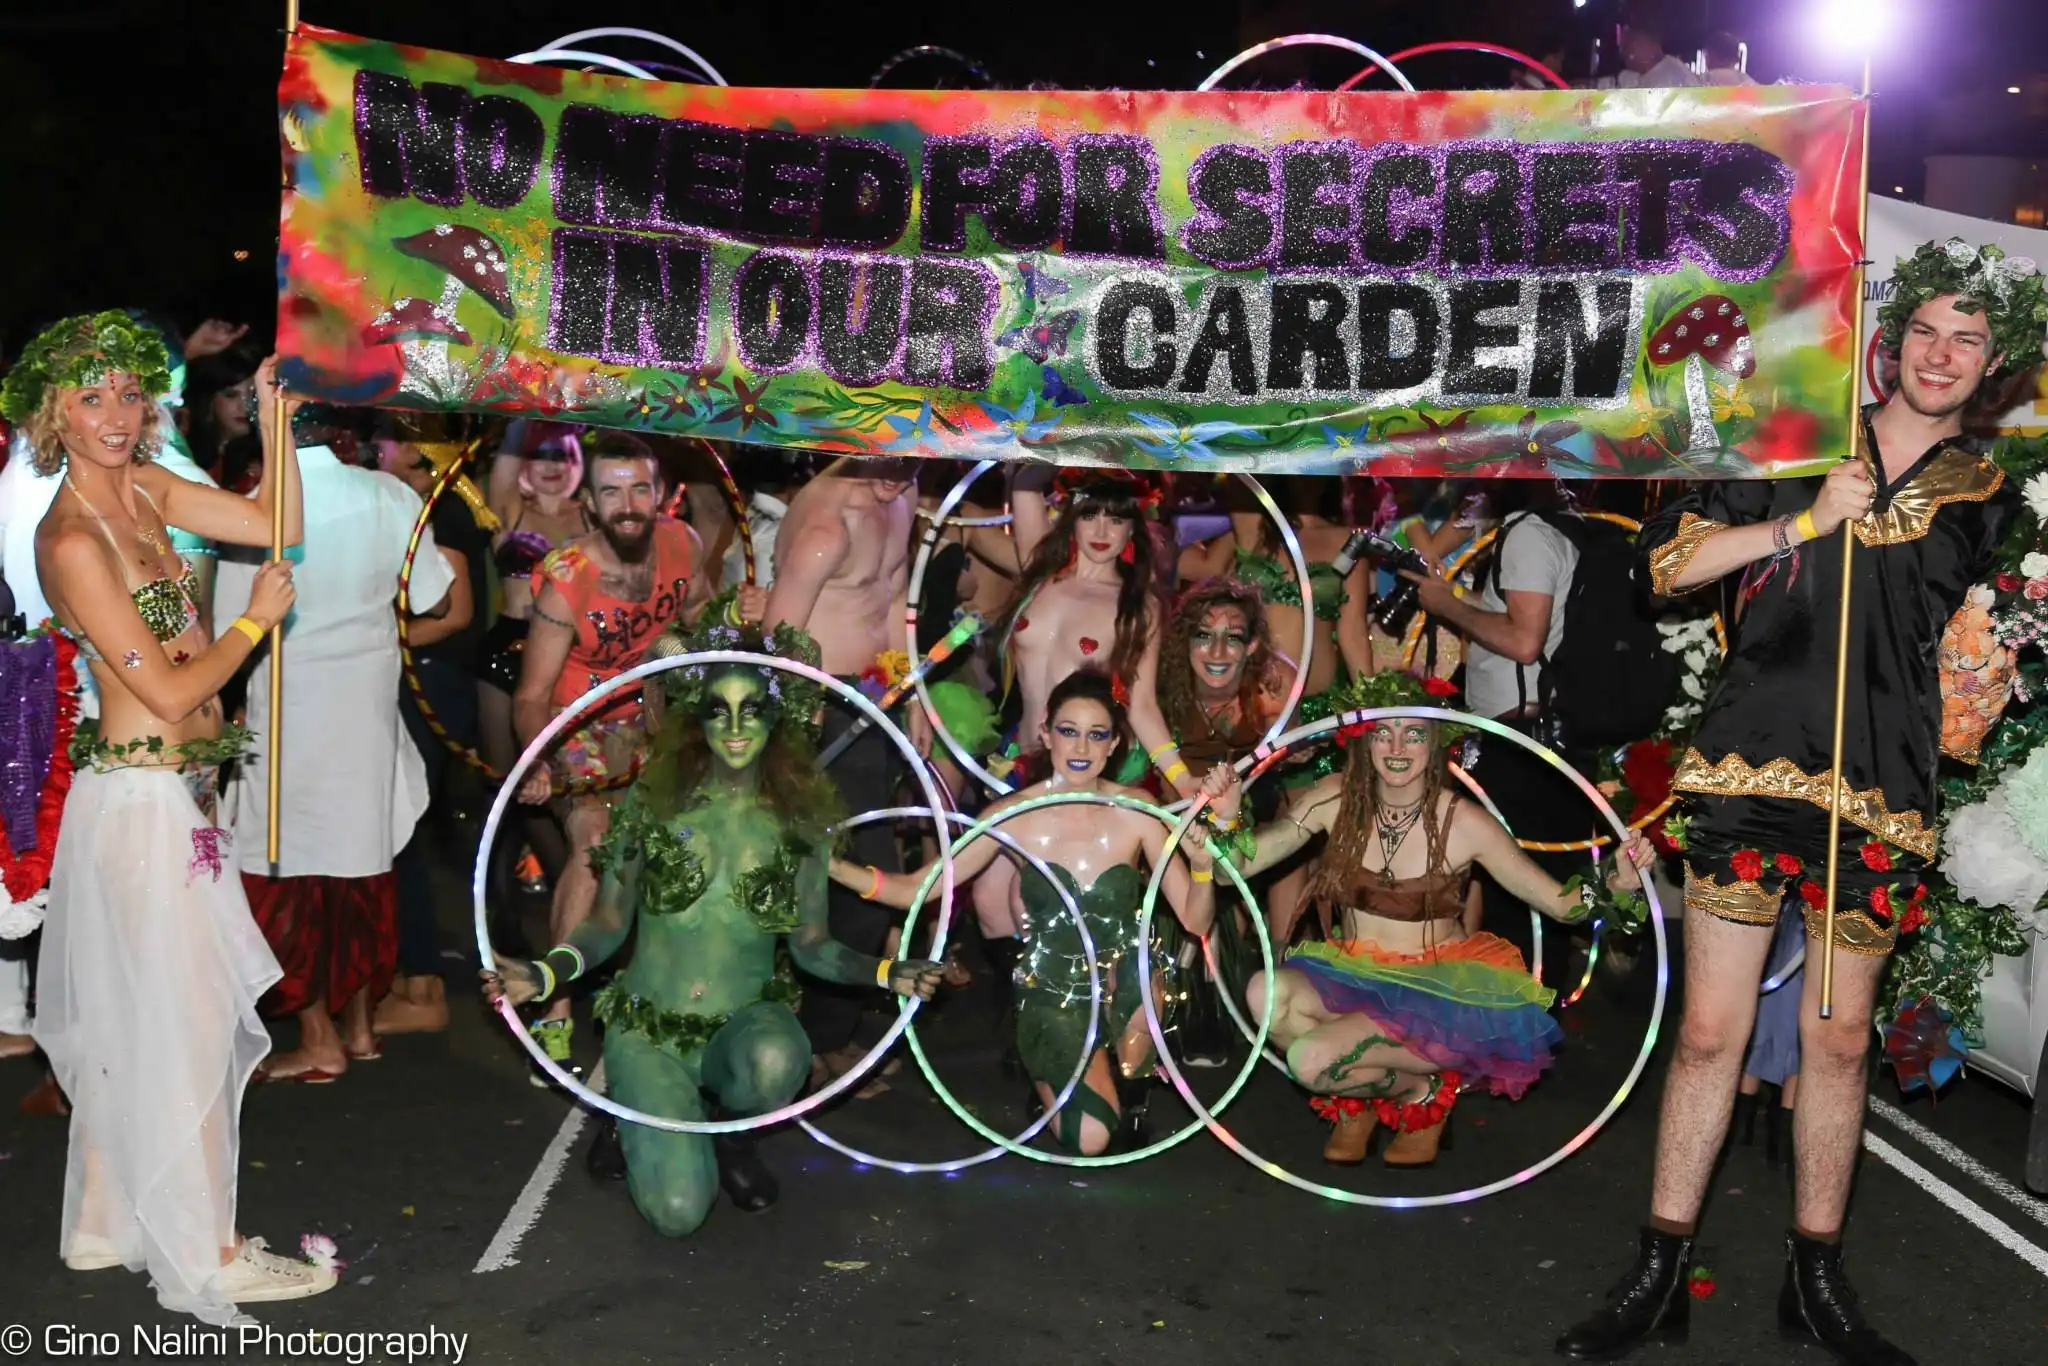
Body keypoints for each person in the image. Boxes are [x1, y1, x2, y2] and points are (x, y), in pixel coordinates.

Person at [1556, 238, 2035, 1365]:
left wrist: (1990, 667)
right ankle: (1657, 1273)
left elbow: (1984, 652)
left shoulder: (1998, 499)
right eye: (1925, 331)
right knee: (1707, 1033)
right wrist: (1803, 519)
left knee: (1839, 1042)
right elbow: (1663, 569)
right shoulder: (1794, 438)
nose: (1941, 354)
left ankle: (1814, 1281)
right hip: (1748, 768)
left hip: (1880, 792)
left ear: (1990, 366)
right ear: (1887, 344)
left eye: (1967, 340)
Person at [12, 313, 333, 1314]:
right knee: (190, 1027)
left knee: (138, 1019)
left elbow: (276, 525)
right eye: (91, 397)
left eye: (127, 393)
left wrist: (275, 417)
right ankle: (209, 1251)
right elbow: (166, 688)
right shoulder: (70, 539)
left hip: (180, 797)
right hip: (138, 804)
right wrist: (254, 623)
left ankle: (103, 1224)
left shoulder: (148, 488)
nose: (116, 414)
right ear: (53, 415)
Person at [482, 596, 945, 1234]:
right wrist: (545, 974)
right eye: (717, 709)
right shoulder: (652, 806)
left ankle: (732, 1135)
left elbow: (812, 947)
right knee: (677, 1215)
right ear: (693, 717)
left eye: (751, 709)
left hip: (742, 1030)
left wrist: (887, 973)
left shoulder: (798, 824)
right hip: (651, 1033)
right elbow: (607, 924)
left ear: (775, 718)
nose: (734, 727)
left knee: (779, 1057)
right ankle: (637, 1107)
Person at [1233, 671, 1652, 1167]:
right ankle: (1360, 1099)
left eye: (1413, 733)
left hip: (1433, 999)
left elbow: (1560, 905)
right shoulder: (1332, 799)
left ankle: (1420, 1093)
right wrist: (1222, 816)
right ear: (1364, 740)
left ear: (1435, 743)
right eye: (1384, 732)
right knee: (1265, 994)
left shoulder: (1465, 822)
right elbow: (1234, 867)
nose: (1397, 748)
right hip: (1351, 977)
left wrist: (1615, 883)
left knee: (1309, 1060)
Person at [832, 668, 1236, 1154]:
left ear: (1114, 745)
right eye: (1068, 731)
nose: (1081, 747)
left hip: (1124, 980)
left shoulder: (1138, 811)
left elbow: (1195, 921)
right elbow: (916, 890)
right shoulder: (1014, 815)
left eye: (1097, 734)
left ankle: (1129, 1085)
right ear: (1045, 734)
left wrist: (1201, 868)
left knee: (1141, 979)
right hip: (1053, 987)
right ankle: (1060, 1076)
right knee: (1090, 1140)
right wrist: (831, 865)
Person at [212, 402, 462, 1081]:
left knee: (288, 878)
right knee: (361, 870)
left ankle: (319, 1036)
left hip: (288, 713)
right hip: (364, 713)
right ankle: (359, 1028)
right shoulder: (388, 496)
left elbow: (231, 629)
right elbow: (435, 600)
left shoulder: (253, 511)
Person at [512, 432, 716, 1084]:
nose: (627, 505)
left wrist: (737, 614)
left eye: (639, 489)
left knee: (681, 845)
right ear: (591, 505)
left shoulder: (683, 543)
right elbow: (531, 696)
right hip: (577, 725)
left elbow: (704, 616)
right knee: (595, 840)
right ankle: (554, 1010)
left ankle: (670, 994)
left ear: (660, 493)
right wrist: (538, 763)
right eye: (611, 491)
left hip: (653, 718)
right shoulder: (567, 580)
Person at [762, 456, 924, 1089]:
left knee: (856, 881)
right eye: (886, 458)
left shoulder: (904, 496)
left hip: (874, 701)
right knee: (856, 883)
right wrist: (794, 730)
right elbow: (775, 640)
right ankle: (809, 1041)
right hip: (821, 712)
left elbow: (893, 599)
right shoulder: (828, 526)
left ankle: (823, 1036)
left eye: (911, 460)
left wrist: (912, 698)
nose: (897, 474)